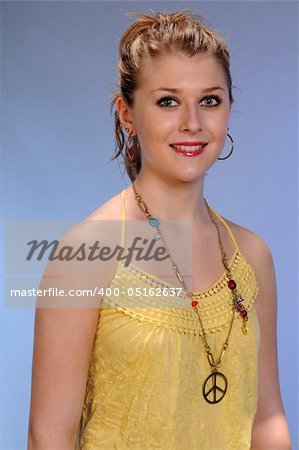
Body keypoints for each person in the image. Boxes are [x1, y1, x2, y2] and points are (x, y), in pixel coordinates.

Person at [27, 11, 291, 450]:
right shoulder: (86, 254)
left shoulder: (252, 256)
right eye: (168, 101)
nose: (192, 122)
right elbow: (48, 436)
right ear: (127, 114)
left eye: (210, 100)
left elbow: (267, 419)